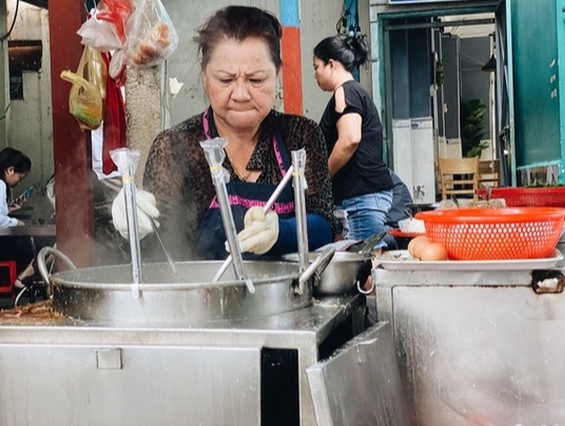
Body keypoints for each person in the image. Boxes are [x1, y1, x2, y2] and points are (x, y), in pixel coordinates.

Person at [113, 6, 335, 260]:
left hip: (289, 296)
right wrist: (133, 226)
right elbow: (161, 250)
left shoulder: (301, 135)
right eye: (225, 80)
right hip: (202, 296)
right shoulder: (174, 147)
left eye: (256, 80)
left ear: (277, 75)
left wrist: (281, 232)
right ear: (204, 75)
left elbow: (325, 225)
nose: (240, 94)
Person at [313, 33, 394, 250]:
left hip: (360, 197)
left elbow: (350, 139)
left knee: (366, 268)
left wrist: (322, 177)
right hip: (364, 196)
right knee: (369, 263)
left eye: (316, 67)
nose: (315, 75)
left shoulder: (345, 92)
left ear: (331, 64)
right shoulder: (355, 92)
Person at [0, 147, 35, 289]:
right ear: (10, 170)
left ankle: (22, 276)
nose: (19, 182)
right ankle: (23, 278)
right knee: (34, 244)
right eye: (20, 177)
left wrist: (9, 209)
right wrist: (16, 222)